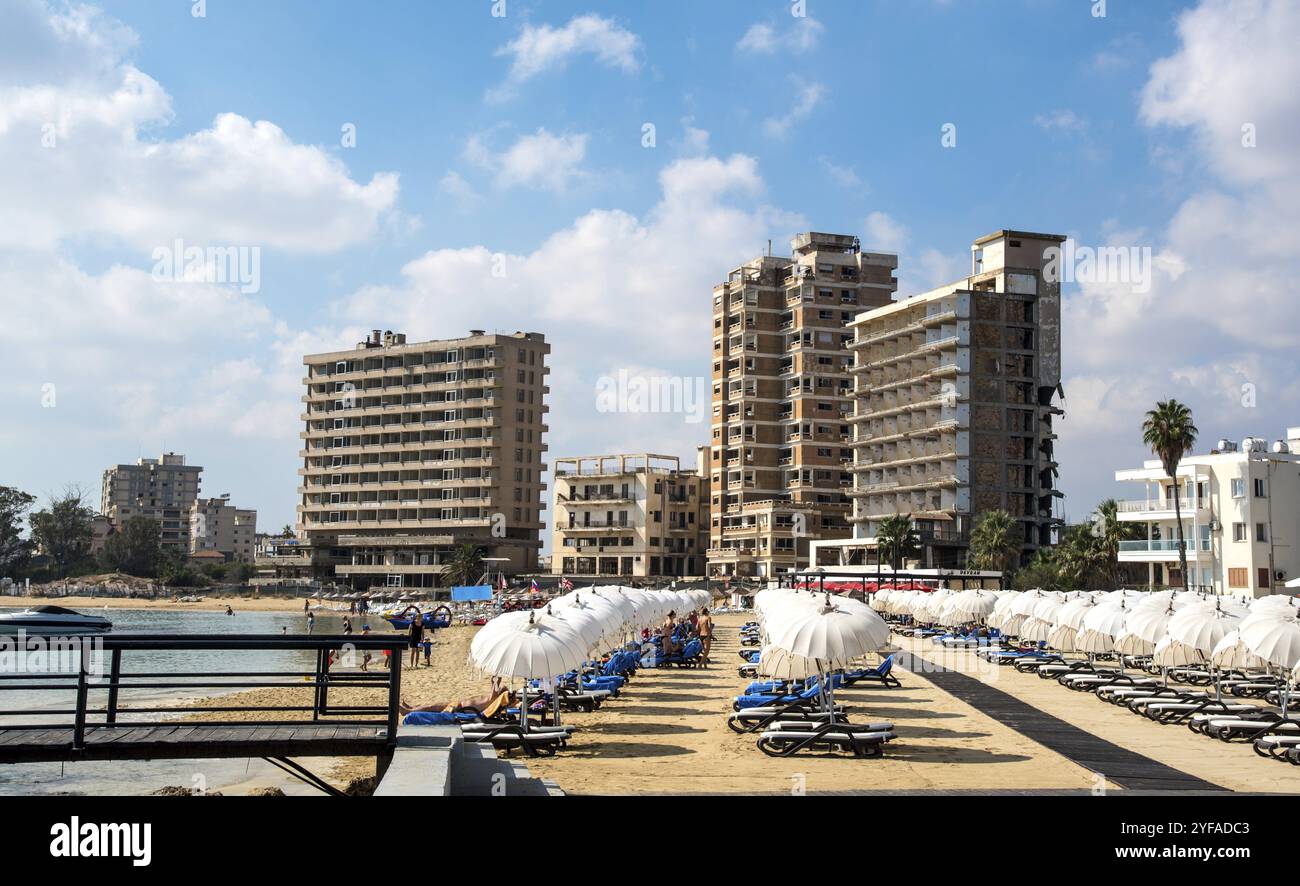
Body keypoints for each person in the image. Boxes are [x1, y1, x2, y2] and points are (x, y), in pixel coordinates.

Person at [400, 677, 509, 717]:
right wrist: (495, 681)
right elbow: (493, 689)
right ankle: (411, 708)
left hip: (460, 708)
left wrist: (496, 681)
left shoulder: (493, 698)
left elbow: (494, 691)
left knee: (432, 707)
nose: (498, 688)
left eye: (500, 688)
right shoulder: (493, 697)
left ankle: (408, 711)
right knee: (433, 706)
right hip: (459, 705)